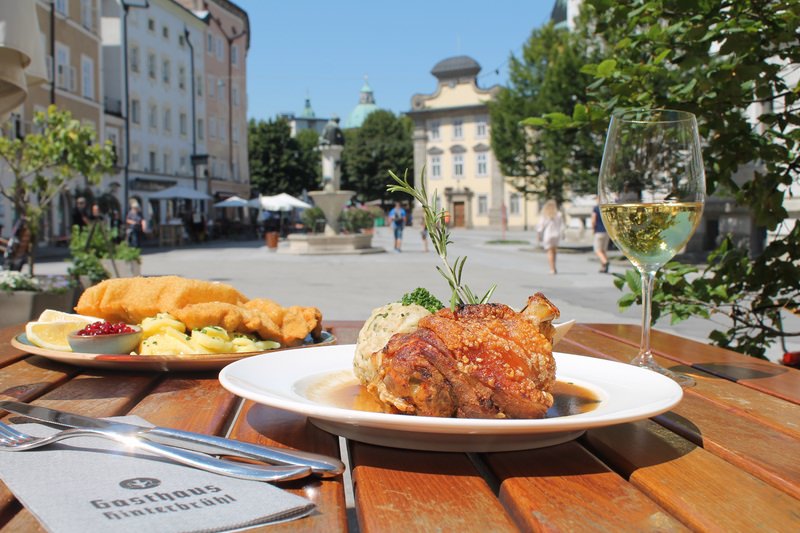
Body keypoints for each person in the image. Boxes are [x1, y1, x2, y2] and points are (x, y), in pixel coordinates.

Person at [536, 199, 563, 275]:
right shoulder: (559, 214)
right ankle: (554, 267)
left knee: (549, 252)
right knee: (554, 251)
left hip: (548, 234)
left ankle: (552, 269)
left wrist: (539, 235)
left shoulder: (545, 214)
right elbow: (561, 225)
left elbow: (540, 226)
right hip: (556, 234)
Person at [591, 201, 610, 273]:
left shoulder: (596, 208)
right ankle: (603, 267)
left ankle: (605, 262)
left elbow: (593, 220)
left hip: (599, 231)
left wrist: (593, 229)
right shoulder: (606, 208)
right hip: (606, 232)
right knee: (603, 250)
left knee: (597, 250)